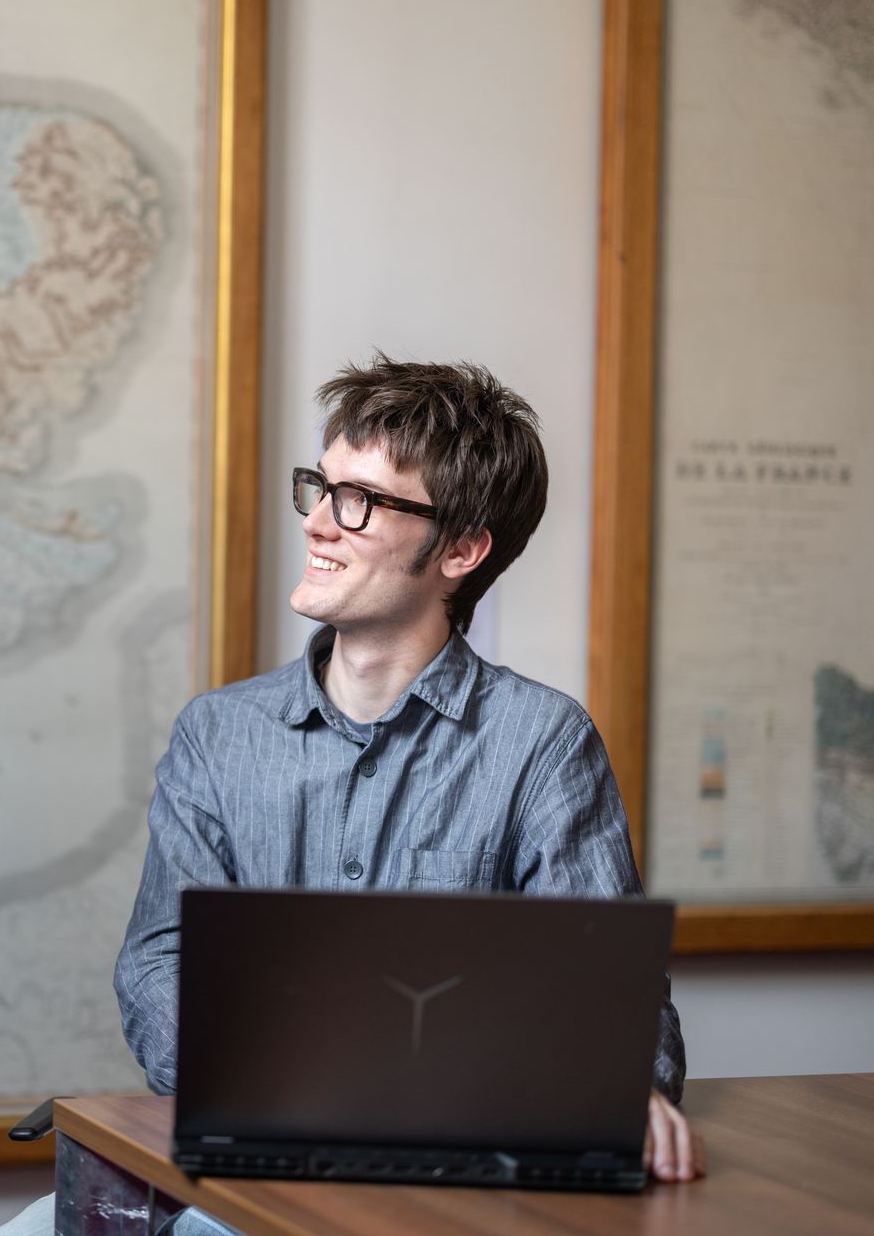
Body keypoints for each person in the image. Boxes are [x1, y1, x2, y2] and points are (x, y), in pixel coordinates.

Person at [113, 355, 704, 1190]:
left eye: (355, 502)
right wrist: (289, 1083)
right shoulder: (217, 734)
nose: (318, 522)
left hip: (448, 1192)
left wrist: (619, 1090)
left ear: (461, 548)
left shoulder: (541, 741)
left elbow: (613, 997)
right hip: (243, 1173)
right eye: (318, 488)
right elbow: (155, 964)